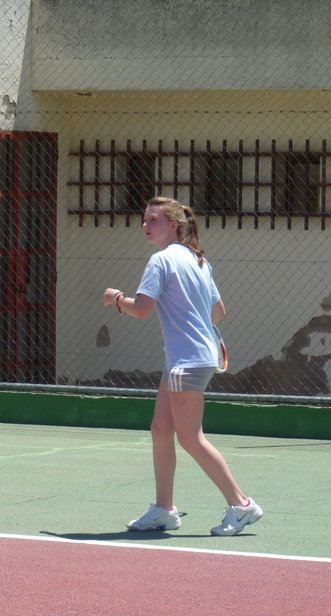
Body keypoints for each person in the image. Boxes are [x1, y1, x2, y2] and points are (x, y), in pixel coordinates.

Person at [103, 196, 263, 536]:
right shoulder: (198, 260)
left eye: (153, 220)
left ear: (173, 225)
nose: (145, 225)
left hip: (187, 361)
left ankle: (242, 505)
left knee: (191, 438)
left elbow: (141, 309)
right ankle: (164, 510)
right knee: (161, 430)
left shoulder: (161, 260)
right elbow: (218, 311)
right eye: (145, 220)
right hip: (185, 358)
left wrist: (116, 299)